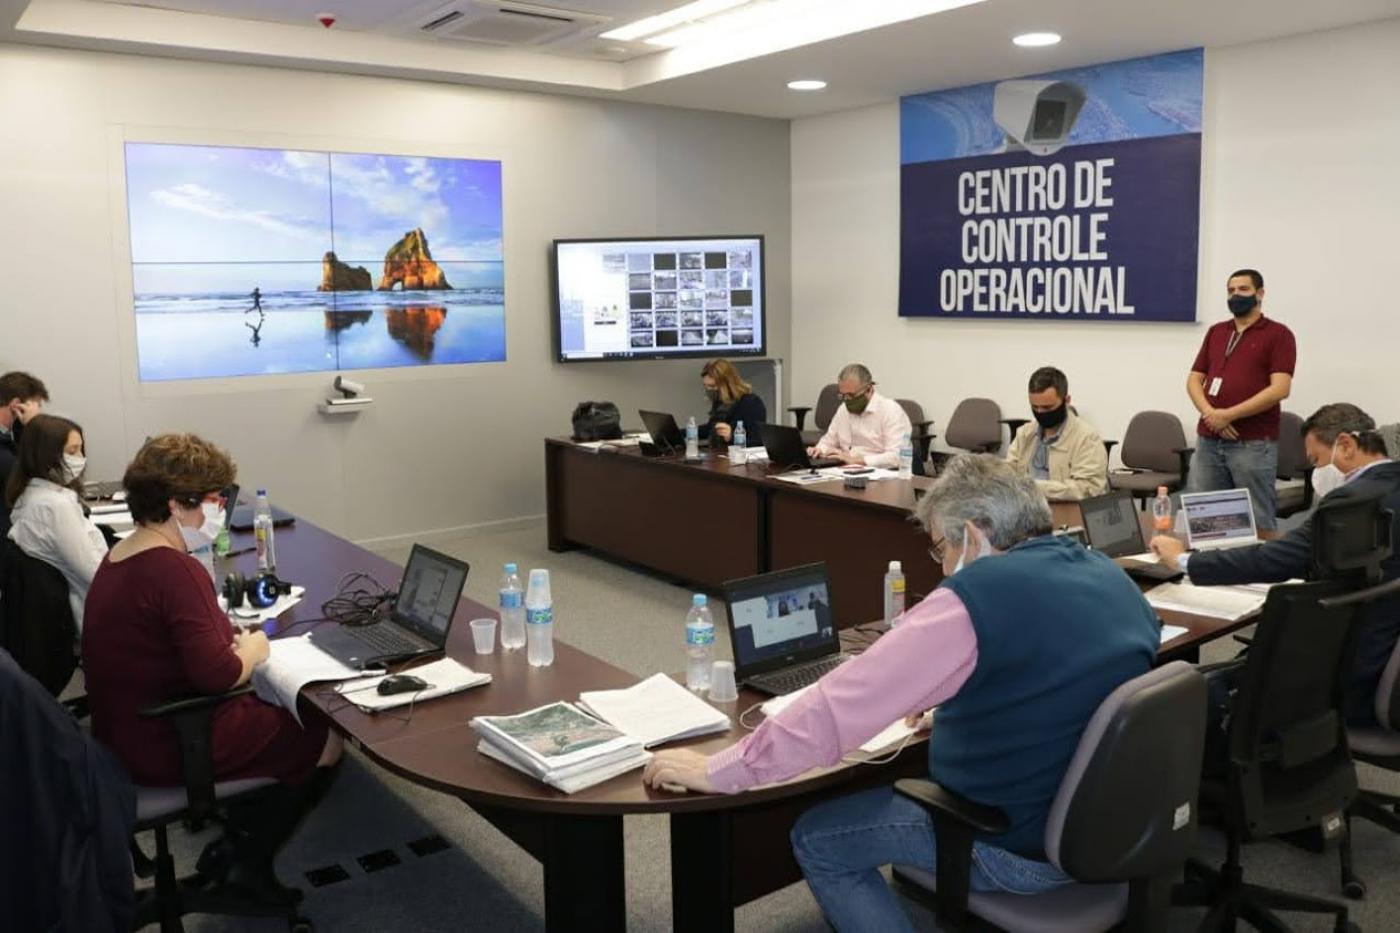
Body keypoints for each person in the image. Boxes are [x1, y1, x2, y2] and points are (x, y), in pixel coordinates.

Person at [643, 456, 1159, 930]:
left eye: (940, 548)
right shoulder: (1107, 574)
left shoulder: (974, 598)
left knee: (816, 838)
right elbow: (1082, 674)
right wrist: (976, 703)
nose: (939, 565)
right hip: (1111, 833)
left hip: (1011, 844)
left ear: (974, 538)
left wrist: (720, 770)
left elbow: (836, 709)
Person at [82, 433, 342, 902]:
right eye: (213, 500)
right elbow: (218, 675)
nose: (220, 510)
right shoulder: (174, 569)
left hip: (123, 734)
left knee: (274, 706)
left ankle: (236, 839)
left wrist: (232, 646)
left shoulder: (122, 554)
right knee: (322, 733)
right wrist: (256, 649)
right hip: (170, 742)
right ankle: (250, 862)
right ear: (177, 504)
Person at [1151, 403, 1400, 726]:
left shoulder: (1352, 501)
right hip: (1379, 659)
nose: (1316, 473)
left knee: (1205, 684)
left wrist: (1183, 560)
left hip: (1344, 677)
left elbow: (1277, 559)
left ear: (1347, 446)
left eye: (1316, 461)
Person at [1184, 269, 1296, 534]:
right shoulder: (1216, 332)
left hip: (1252, 443)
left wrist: (1229, 415)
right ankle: (1212, 570)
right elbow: (1193, 380)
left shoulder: (1279, 334)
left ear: (1260, 294)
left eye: (1243, 290)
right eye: (1231, 290)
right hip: (1209, 438)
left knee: (1257, 518)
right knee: (1206, 519)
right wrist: (1212, 414)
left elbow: (1280, 389)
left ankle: (1264, 574)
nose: (1236, 295)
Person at [5, 414, 108, 630]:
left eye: (81, 449)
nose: (80, 458)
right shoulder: (55, 506)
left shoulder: (30, 494)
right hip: (88, 611)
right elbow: (94, 572)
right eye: (72, 451)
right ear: (46, 455)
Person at [1005, 366, 1108, 501]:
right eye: (1035, 407)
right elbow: (1007, 474)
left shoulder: (1087, 439)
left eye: (1047, 407)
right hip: (1026, 510)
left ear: (1066, 401)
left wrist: (1034, 488)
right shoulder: (1025, 434)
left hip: (1067, 511)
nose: (1040, 412)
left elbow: (1087, 489)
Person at [808, 363, 912, 468]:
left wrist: (858, 460)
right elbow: (828, 441)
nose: (847, 400)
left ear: (869, 390)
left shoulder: (891, 411)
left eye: (852, 395)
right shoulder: (843, 409)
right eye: (843, 395)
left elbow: (898, 456)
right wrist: (819, 450)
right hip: (847, 471)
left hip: (884, 474)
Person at [0, 371, 50, 540]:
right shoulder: (3, 452)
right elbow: (36, 480)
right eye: (36, 405)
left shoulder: (9, 436)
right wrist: (34, 427)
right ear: (16, 406)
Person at [698, 358, 766, 445]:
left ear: (727, 383)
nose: (709, 390)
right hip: (719, 454)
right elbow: (711, 428)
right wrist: (680, 433)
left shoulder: (751, 403)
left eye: (712, 386)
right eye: (706, 386)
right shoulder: (721, 401)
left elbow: (758, 442)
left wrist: (732, 437)